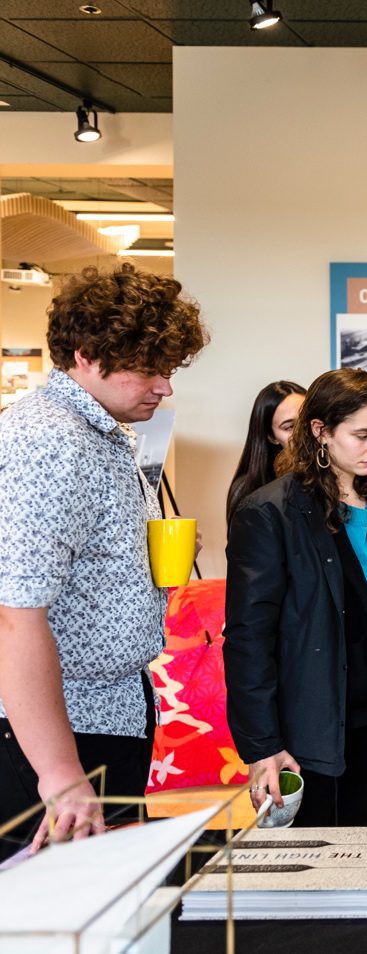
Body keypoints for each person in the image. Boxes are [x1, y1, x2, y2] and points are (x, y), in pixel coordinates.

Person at [0, 263, 208, 849]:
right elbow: (15, 614)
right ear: (87, 355)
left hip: (102, 713)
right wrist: (61, 772)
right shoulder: (50, 442)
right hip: (59, 731)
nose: (165, 386)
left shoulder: (94, 431)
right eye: (150, 369)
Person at [226, 369, 367, 826]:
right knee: (312, 861)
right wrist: (262, 745)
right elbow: (248, 639)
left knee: (360, 841)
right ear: (320, 432)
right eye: (361, 435)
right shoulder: (269, 512)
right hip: (312, 724)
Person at [225, 380, 307, 526]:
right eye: (289, 427)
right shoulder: (249, 492)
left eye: (307, 421)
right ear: (271, 436)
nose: (303, 433)